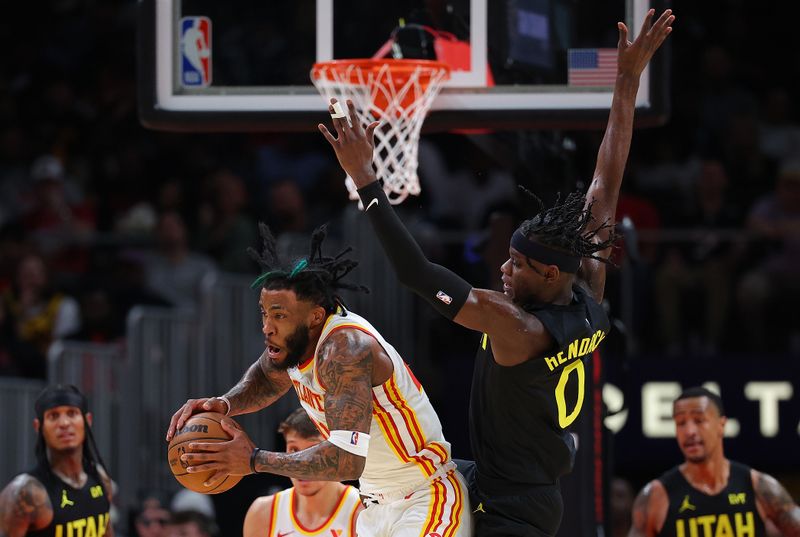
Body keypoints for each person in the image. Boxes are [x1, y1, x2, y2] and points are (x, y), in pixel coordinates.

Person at [318, 9, 674, 536]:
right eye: (508, 256)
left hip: (508, 511)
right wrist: (626, 81)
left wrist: (369, 181)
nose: (504, 269)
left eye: (519, 264)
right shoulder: (588, 297)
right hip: (511, 487)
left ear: (552, 274)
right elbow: (605, 182)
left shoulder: (518, 327)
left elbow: (417, 273)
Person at [166, 224, 470, 537]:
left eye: (279, 315)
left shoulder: (345, 351)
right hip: (375, 506)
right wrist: (225, 403)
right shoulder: (294, 344)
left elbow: (347, 461)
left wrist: (255, 460)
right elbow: (265, 378)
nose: (267, 327)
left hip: (424, 497)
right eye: (264, 313)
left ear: (314, 316)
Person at [627, 387, 800, 536]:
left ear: (721, 425)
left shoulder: (757, 486)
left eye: (699, 420)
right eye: (680, 423)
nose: (689, 431)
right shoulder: (656, 496)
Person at [0, 384, 114, 536]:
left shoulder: (100, 478)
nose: (64, 423)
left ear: (88, 420)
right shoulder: (25, 493)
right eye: (53, 416)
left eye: (72, 413)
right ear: (38, 426)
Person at [243, 408, 362, 537]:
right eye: (294, 450)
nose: (302, 464)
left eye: (313, 451)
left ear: (336, 453)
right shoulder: (263, 513)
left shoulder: (362, 513)